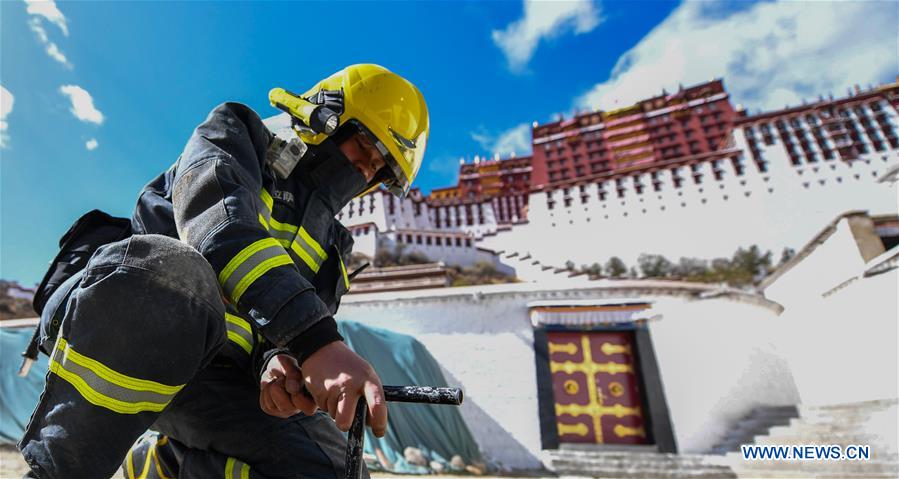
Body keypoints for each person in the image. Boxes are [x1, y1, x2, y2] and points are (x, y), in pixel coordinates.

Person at [18, 63, 429, 479]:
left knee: (333, 471)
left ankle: (165, 466)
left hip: (217, 379)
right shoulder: (237, 133)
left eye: (380, 169)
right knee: (174, 272)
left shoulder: (333, 246)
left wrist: (275, 363)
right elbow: (218, 226)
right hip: (126, 330)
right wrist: (317, 341)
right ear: (326, 116)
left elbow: (279, 330)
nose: (366, 170)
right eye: (364, 146)